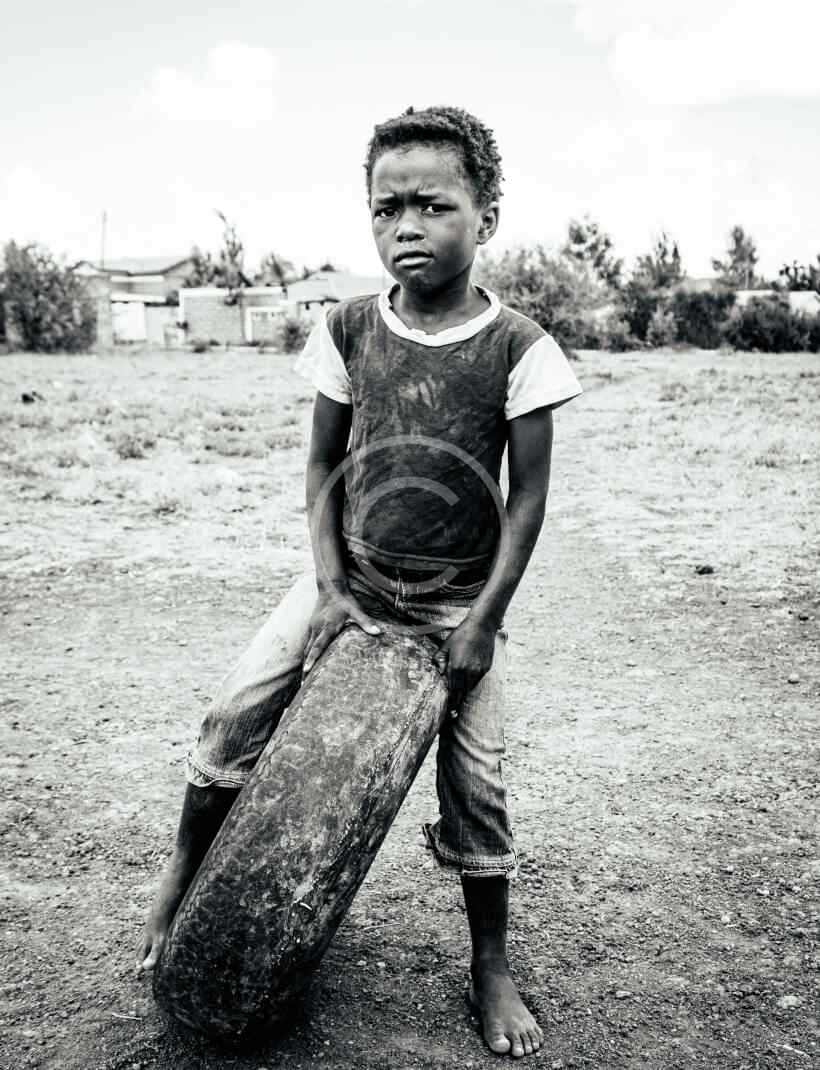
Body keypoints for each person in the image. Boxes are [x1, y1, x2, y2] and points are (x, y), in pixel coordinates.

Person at [139, 105, 582, 1060]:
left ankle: (490, 965)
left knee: (479, 786)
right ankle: (180, 876)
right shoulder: (347, 328)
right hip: (351, 579)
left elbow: (528, 500)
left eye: (433, 205)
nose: (406, 227)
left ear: (487, 217)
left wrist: (483, 623)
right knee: (234, 714)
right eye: (387, 209)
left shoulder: (521, 348)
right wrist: (331, 587)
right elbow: (321, 467)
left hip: (458, 602)